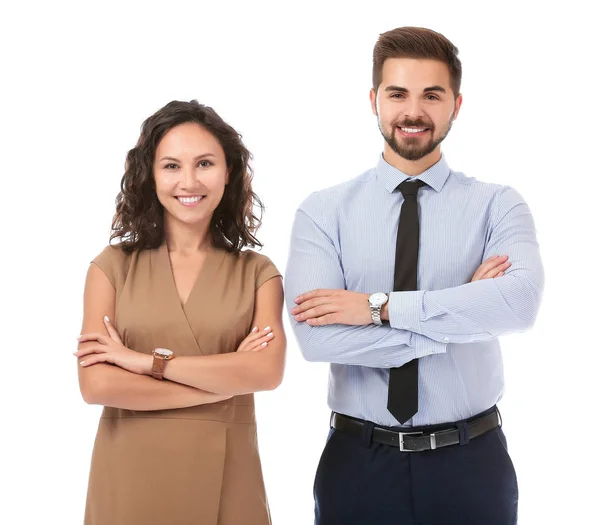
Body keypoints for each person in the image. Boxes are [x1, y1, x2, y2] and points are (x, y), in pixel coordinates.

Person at [285, 27, 544, 525]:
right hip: (358, 461)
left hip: (472, 461)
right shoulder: (323, 212)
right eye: (397, 93)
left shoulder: (497, 205)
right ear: (374, 100)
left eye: (432, 95)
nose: (413, 111)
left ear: (456, 104)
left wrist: (376, 309)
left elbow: (518, 305)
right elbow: (318, 341)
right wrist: (462, 310)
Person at [75, 100, 285, 525]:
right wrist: (221, 385)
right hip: (129, 477)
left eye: (204, 163)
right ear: (150, 176)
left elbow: (265, 372)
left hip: (229, 477)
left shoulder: (258, 273)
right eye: (171, 166)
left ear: (228, 172)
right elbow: (96, 383)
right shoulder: (112, 266)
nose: (188, 181)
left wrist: (142, 363)